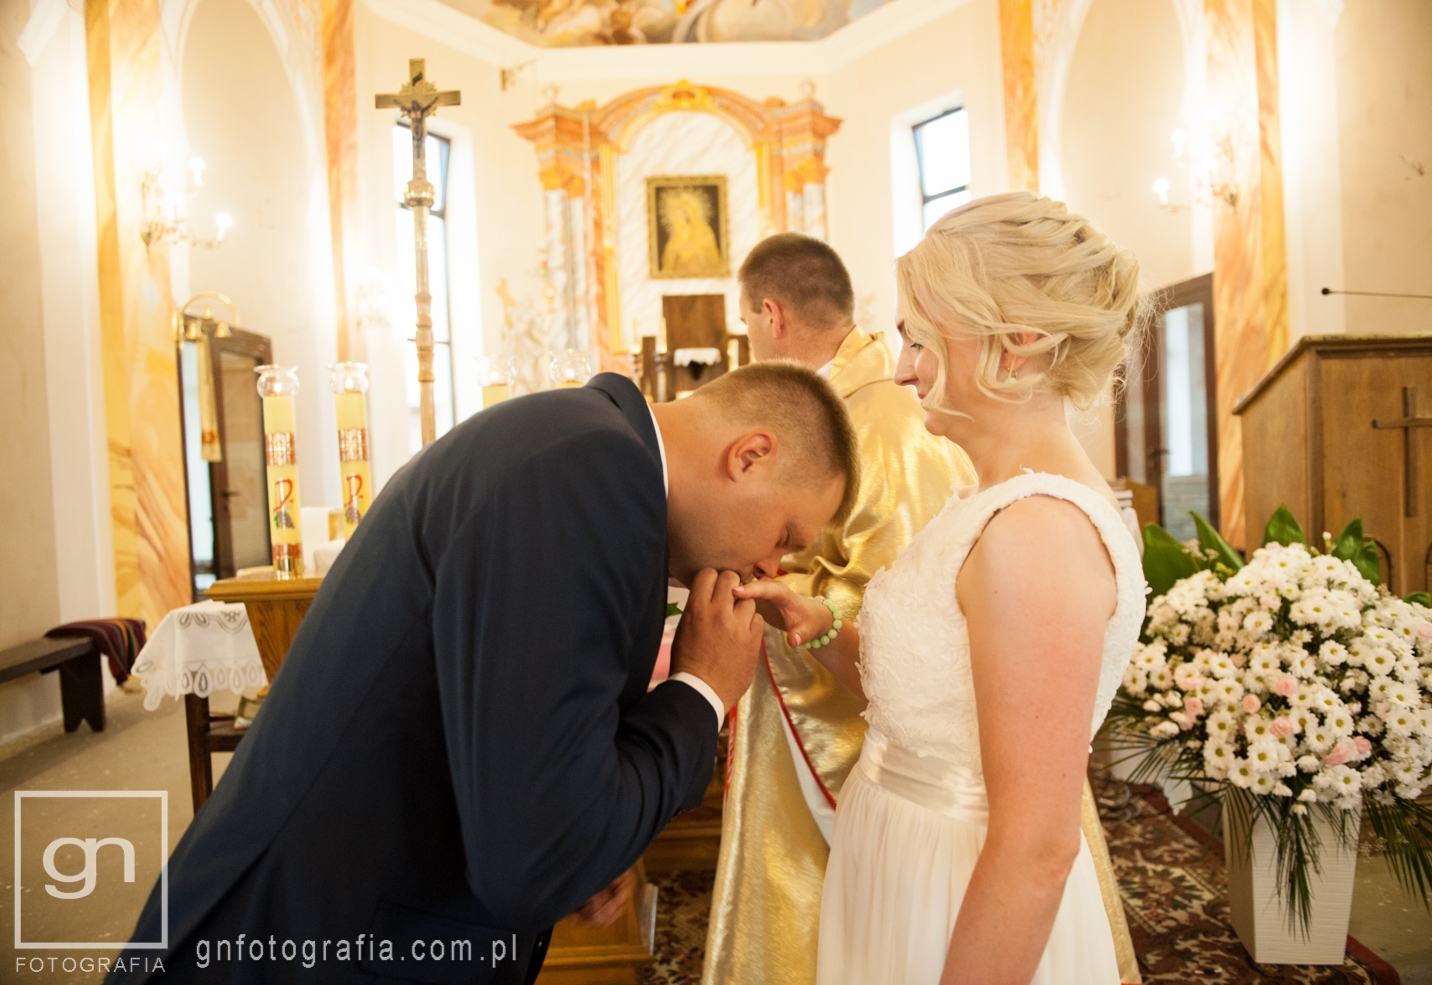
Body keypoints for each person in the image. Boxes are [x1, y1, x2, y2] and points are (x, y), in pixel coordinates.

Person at [108, 363, 857, 985]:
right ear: (749, 455)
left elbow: (533, 761)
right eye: (785, 536)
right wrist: (700, 691)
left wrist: (594, 826)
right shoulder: (596, 472)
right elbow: (538, 860)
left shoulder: (585, 446)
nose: (771, 566)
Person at [737, 193, 1148, 985]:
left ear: (1016, 344)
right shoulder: (989, 503)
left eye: (918, 340)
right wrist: (823, 624)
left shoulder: (1038, 532)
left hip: (958, 891)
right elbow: (935, 702)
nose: (900, 369)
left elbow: (1036, 848)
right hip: (903, 866)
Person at [703, 233, 976, 985]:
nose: (750, 338)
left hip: (852, 701)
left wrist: (781, 580)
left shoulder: (881, 416)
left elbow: (907, 586)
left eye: (747, 322)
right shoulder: (836, 404)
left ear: (771, 315)